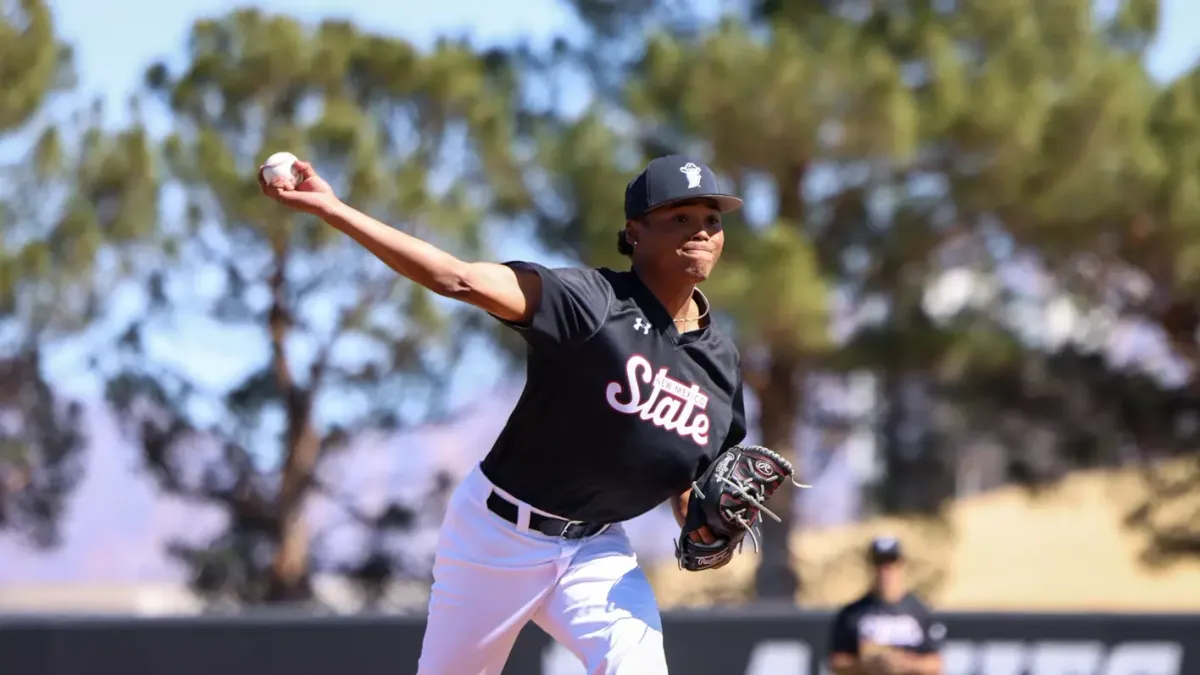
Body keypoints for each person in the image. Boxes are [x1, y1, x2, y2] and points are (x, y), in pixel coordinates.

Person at [259, 154, 751, 674]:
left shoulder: (719, 363)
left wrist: (704, 520)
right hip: (495, 538)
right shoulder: (590, 303)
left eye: (712, 220)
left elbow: (687, 482)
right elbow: (459, 279)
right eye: (680, 217)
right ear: (634, 233)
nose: (701, 232)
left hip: (595, 550)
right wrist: (335, 210)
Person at [828, 537, 946, 675]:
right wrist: (869, 664)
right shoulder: (852, 614)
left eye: (891, 564)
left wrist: (904, 664)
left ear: (902, 565)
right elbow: (837, 662)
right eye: (879, 565)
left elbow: (935, 664)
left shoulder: (919, 611)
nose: (885, 572)